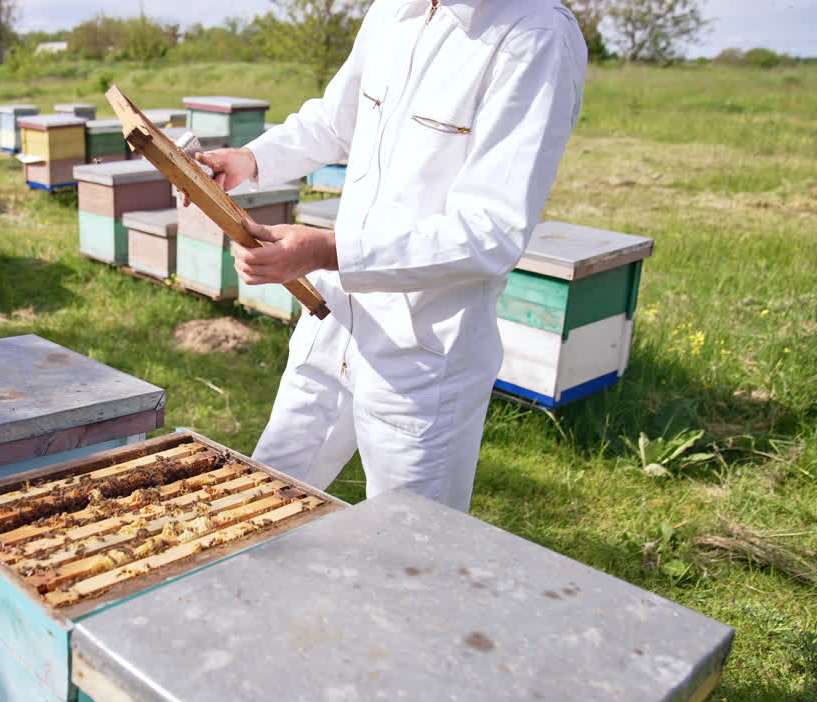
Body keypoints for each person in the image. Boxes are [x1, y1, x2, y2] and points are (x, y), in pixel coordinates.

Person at [197, 0, 587, 511]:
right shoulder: (392, 10)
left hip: (423, 354)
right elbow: (336, 121)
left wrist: (329, 250)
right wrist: (251, 159)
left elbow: (489, 231)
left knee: (412, 549)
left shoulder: (535, 36)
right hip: (332, 320)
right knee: (260, 501)